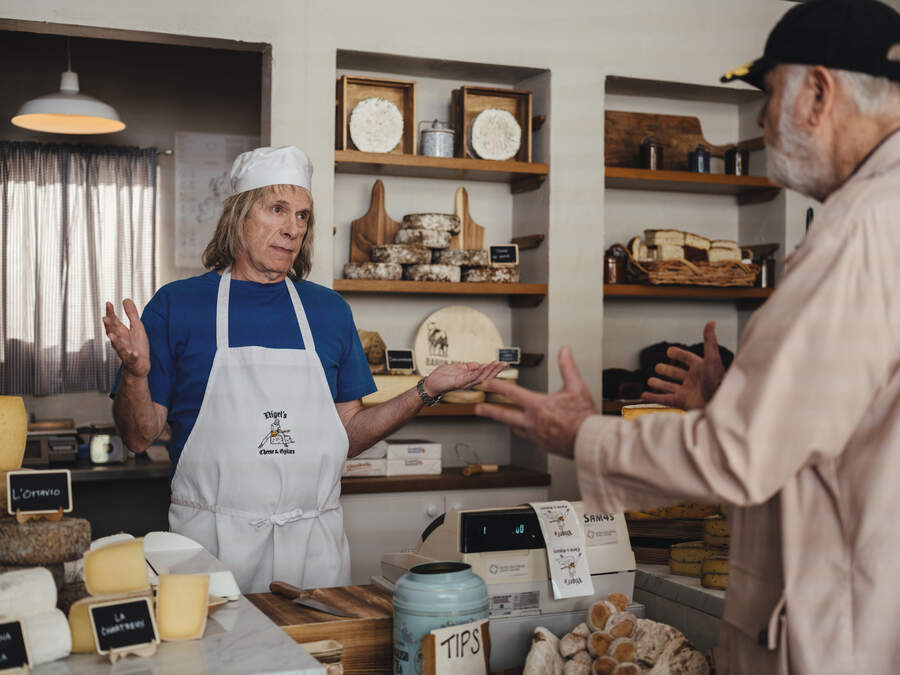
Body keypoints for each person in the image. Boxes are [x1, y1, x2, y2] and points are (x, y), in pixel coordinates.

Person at [477, 0, 900, 672]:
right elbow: (847, 427)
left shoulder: (862, 229)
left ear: (819, 92)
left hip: (837, 632)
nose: (762, 121)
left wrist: (580, 433)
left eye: (767, 94)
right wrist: (740, 401)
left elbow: (744, 454)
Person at [103, 146, 505, 593]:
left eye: (302, 216)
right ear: (240, 216)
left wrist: (426, 390)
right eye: (277, 209)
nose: (292, 229)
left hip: (315, 550)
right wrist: (136, 374)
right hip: (211, 550)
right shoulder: (177, 305)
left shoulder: (328, 311)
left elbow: (347, 436)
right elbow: (139, 436)